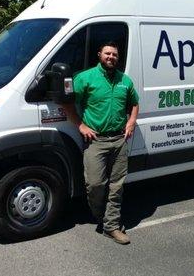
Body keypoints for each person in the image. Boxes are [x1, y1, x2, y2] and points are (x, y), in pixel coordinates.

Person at [66, 41, 139, 245]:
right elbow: (67, 103)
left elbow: (134, 102)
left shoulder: (125, 80)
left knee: (117, 186)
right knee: (95, 184)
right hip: (95, 141)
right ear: (99, 54)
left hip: (119, 139)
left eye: (114, 54)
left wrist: (132, 121)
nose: (111, 57)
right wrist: (80, 125)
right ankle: (101, 217)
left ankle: (111, 226)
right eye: (107, 53)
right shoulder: (85, 78)